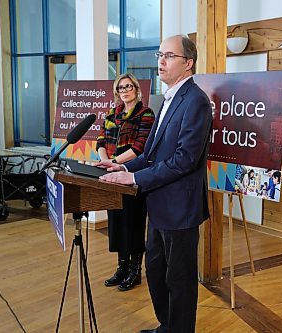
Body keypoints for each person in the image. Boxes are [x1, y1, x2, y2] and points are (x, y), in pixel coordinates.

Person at [97, 35, 212, 333]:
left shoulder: (196, 101)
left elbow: (185, 159)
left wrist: (134, 178)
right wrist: (121, 165)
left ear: (188, 63)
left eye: (169, 56)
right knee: (156, 269)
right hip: (159, 203)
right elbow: (150, 153)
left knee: (180, 278)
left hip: (180, 208)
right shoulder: (167, 98)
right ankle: (167, 326)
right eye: (160, 54)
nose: (161, 60)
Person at [96, 73, 155, 291]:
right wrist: (105, 162)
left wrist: (115, 163)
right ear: (117, 92)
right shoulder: (113, 114)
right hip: (112, 173)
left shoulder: (146, 114)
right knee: (117, 223)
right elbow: (101, 140)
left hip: (132, 174)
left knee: (134, 223)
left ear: (137, 90)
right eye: (121, 88)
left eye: (129, 86)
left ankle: (135, 271)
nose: (125, 90)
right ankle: (121, 268)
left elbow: (140, 147)